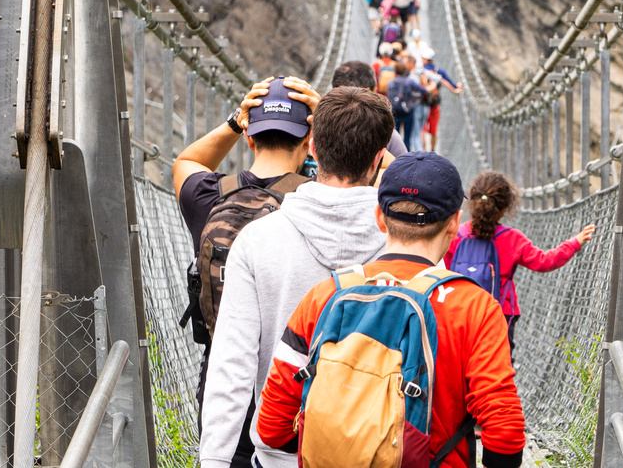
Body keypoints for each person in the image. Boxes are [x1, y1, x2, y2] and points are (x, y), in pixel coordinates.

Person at [256, 152, 526, 468]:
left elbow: (272, 427)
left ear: (380, 217)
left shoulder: (325, 295)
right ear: (455, 223)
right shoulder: (475, 307)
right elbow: (505, 433)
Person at [198, 87, 396, 468]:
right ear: (378, 159)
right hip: (379, 453)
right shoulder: (402, 248)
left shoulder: (257, 240)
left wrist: (214, 461)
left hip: (283, 454)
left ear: (314, 149)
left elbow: (231, 367)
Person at [173, 75, 318, 467]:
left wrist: (235, 121)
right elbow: (387, 182)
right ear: (309, 141)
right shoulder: (318, 204)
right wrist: (327, 119)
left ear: (250, 140)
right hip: (297, 391)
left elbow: (187, 162)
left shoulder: (208, 197)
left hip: (223, 390)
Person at [445, 170, 595, 354]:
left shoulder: (457, 235)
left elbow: (446, 270)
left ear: (473, 202)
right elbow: (545, 261)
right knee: (499, 363)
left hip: (461, 313)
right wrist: (574, 243)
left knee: (463, 359)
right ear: (505, 207)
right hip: (500, 314)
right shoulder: (512, 239)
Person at [331, 60, 407, 158]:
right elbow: (403, 163)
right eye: (375, 92)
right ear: (367, 92)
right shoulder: (385, 133)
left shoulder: (321, 127)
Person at [420, 46, 463, 151]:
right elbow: (452, 84)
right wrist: (457, 87)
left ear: (424, 59)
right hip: (434, 104)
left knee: (422, 130)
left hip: (422, 104)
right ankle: (432, 152)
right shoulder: (439, 71)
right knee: (433, 130)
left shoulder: (420, 71)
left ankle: (423, 152)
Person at [387, 59, 430, 151]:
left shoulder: (391, 82)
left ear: (395, 71)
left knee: (395, 137)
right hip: (407, 111)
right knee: (407, 137)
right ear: (405, 71)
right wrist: (431, 86)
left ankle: (396, 156)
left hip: (395, 111)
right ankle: (407, 155)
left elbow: (389, 96)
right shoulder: (409, 82)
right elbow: (423, 90)